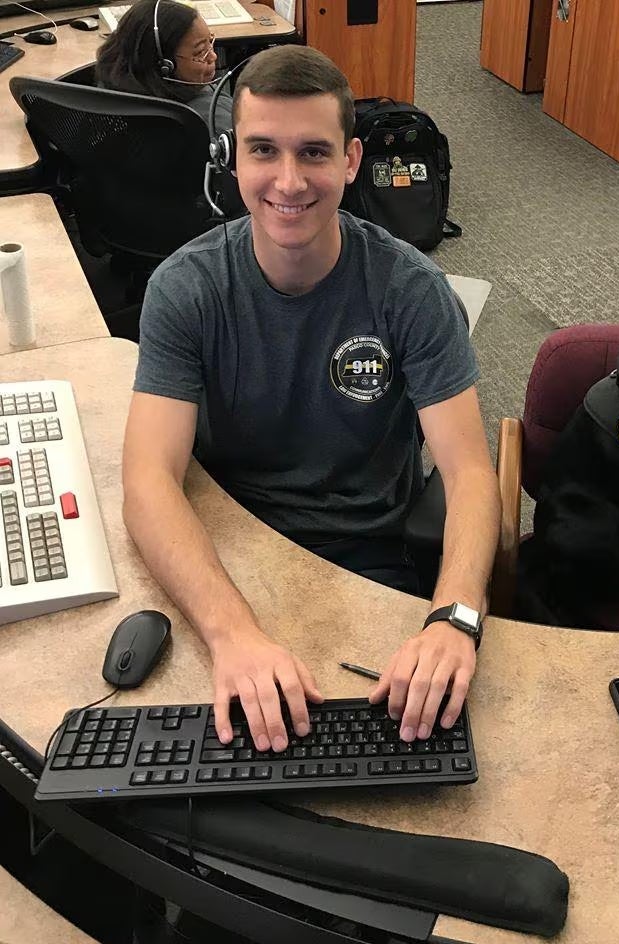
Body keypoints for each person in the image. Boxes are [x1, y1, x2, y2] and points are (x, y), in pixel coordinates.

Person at [122, 45, 501, 759]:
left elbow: (471, 476)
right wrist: (232, 634)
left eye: (314, 153)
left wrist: (454, 619)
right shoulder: (187, 288)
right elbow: (147, 479)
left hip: (365, 557)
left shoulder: (411, 291)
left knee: (402, 752)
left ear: (352, 161)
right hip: (225, 546)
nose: (288, 182)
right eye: (264, 150)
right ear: (234, 158)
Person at [95, 0, 233, 132]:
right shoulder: (211, 115)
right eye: (200, 52)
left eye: (210, 41)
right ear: (165, 65)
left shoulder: (109, 97)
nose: (213, 56)